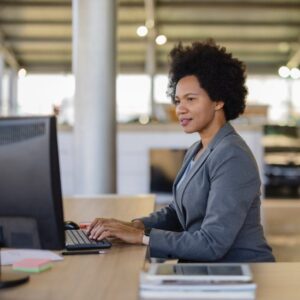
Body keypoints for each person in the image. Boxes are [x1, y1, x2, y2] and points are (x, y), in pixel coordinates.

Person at [87, 40, 275, 262]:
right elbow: (177, 213)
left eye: (191, 99)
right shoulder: (197, 149)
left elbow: (211, 244)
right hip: (206, 269)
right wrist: (133, 225)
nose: (180, 109)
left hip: (237, 272)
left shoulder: (232, 157)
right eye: (177, 101)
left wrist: (140, 237)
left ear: (219, 101)